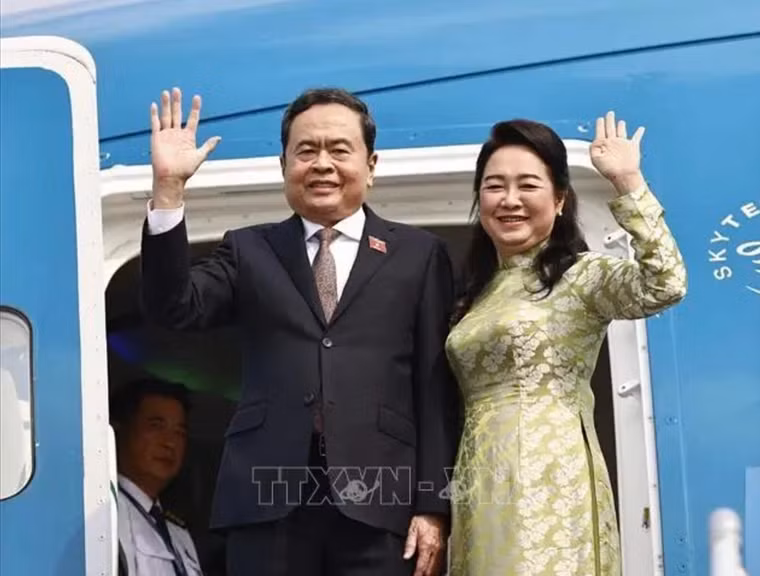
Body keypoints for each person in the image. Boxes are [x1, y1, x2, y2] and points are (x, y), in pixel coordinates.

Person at [139, 87, 460, 576]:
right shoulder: (249, 250)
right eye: (306, 151)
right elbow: (174, 308)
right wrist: (168, 191)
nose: (322, 164)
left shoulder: (418, 254)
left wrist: (434, 506)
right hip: (268, 504)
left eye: (339, 149)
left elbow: (434, 387)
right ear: (284, 164)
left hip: (380, 505)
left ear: (371, 165)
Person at [445, 112, 688, 575]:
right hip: (477, 473)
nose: (510, 199)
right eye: (495, 186)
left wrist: (627, 182)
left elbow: (666, 284)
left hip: (549, 473)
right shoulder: (476, 292)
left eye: (528, 185)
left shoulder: (581, 276)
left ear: (559, 200)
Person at [111, 378, 203, 576]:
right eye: (156, 426)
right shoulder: (105, 512)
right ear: (118, 430)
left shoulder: (178, 533)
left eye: (179, 432)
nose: (169, 443)